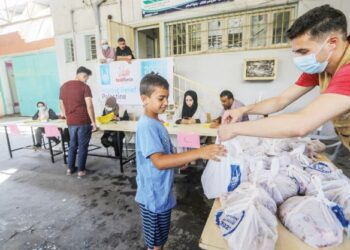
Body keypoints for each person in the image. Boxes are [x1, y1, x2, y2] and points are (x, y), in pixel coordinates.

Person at [218, 5, 350, 152]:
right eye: (296, 52)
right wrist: (242, 110)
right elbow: (280, 100)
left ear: (332, 42)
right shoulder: (321, 65)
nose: (299, 59)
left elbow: (301, 124)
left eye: (304, 51)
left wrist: (234, 129)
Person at [135, 73, 226, 250]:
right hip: (153, 197)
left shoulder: (157, 122)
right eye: (161, 98)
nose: (165, 102)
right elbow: (159, 161)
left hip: (162, 192)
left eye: (167, 98)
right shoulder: (147, 126)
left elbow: (165, 155)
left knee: (160, 239)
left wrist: (178, 161)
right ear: (144, 99)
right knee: (154, 243)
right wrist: (199, 152)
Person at [59, 66, 97, 178]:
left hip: (71, 122)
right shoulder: (85, 87)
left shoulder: (63, 86)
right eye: (86, 78)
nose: (86, 80)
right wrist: (93, 122)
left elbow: (61, 104)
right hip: (83, 121)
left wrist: (67, 116)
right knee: (82, 146)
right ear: (83, 75)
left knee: (72, 145)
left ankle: (70, 169)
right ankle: (81, 171)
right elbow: (89, 105)